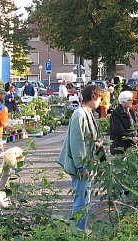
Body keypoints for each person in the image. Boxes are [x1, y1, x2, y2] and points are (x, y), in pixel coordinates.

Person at [58, 84, 104, 231]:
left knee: (85, 198)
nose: (100, 102)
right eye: (100, 98)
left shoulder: (87, 112)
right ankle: (77, 232)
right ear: (93, 97)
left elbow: (88, 136)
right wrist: (81, 166)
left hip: (86, 163)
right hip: (80, 165)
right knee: (81, 200)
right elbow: (77, 143)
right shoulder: (79, 114)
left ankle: (79, 230)